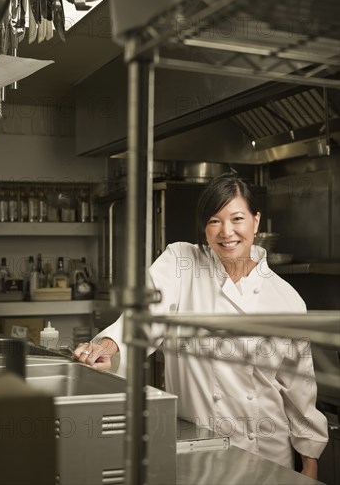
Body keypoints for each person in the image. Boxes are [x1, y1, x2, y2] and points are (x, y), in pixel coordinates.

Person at [74, 174, 328, 478]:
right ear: (204, 228)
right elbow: (143, 317)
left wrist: (309, 460)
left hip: (268, 455)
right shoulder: (182, 263)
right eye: (214, 221)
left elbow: (298, 388)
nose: (227, 232)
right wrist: (110, 345)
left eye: (237, 219)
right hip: (201, 450)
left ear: (256, 222)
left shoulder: (286, 298)